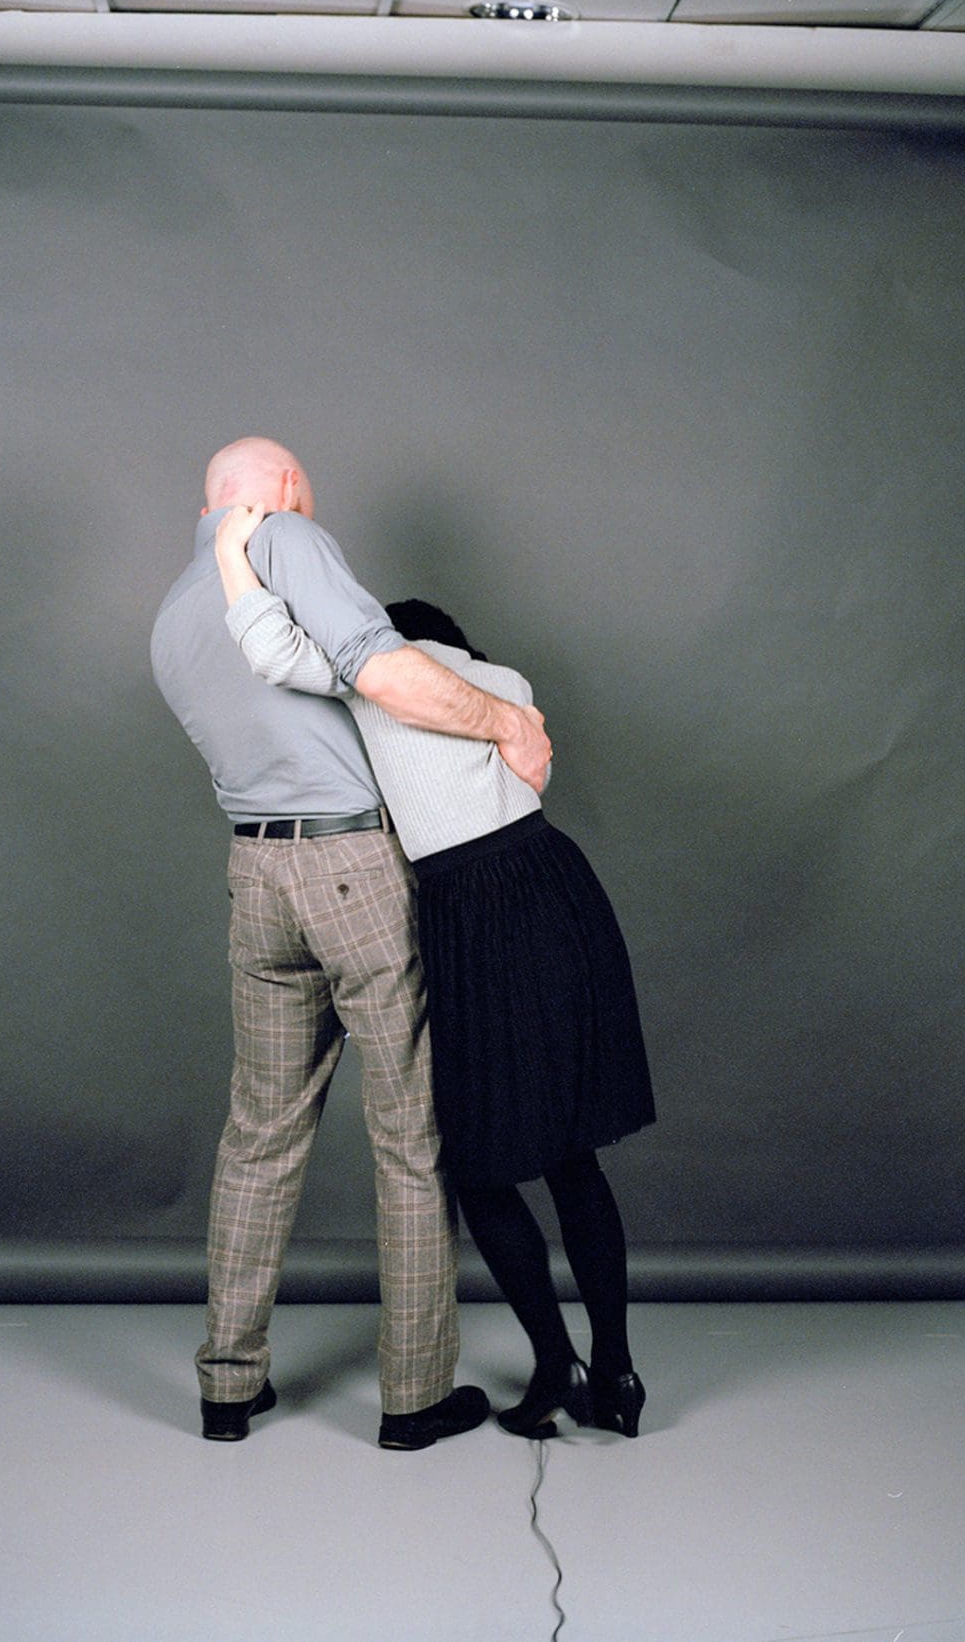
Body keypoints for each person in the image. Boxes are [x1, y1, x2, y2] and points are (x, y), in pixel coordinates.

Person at [215, 502, 656, 1440]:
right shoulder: (506, 682)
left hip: (466, 911)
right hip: (554, 887)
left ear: (389, 639)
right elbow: (525, 776)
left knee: (479, 1164)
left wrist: (230, 549)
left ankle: (554, 1367)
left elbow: (270, 647)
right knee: (571, 1156)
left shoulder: (369, 679)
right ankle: (616, 1374)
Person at [149, 436, 551, 1449]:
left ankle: (228, 1385)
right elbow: (385, 672)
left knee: (258, 1135)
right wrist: (506, 722)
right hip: (353, 867)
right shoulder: (286, 539)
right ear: (284, 487)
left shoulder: (170, 615)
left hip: (254, 874)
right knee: (409, 1137)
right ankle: (413, 1399)